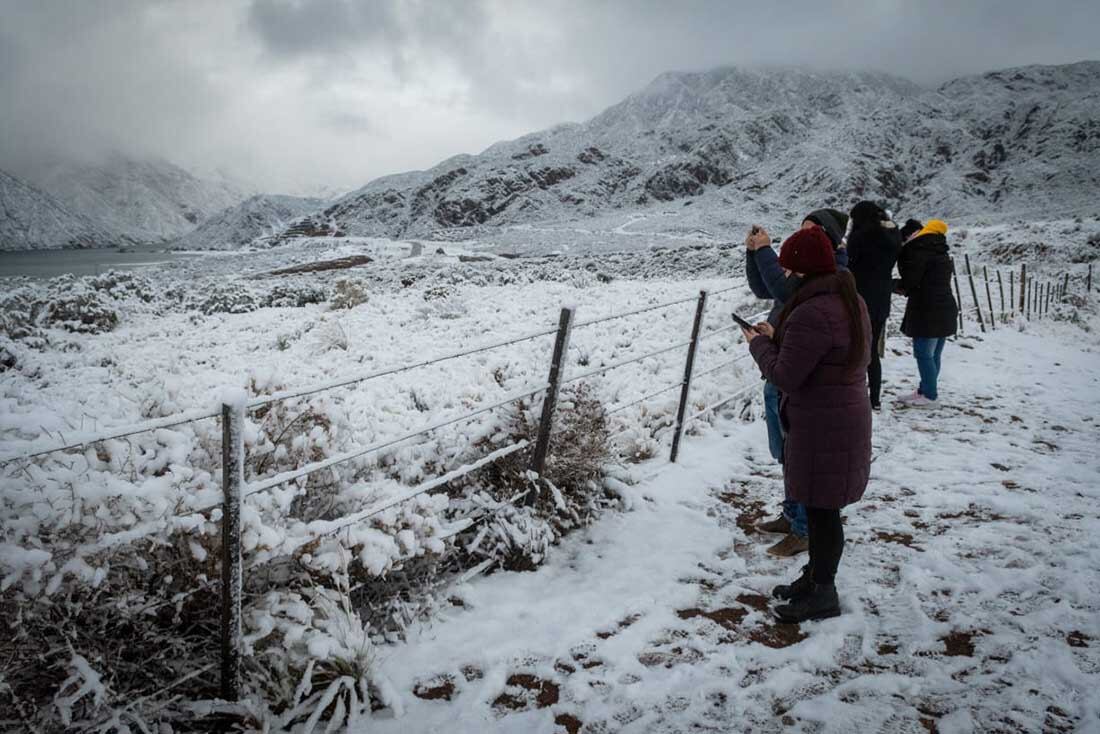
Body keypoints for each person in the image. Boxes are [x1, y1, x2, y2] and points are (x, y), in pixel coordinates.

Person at [741, 226, 872, 623]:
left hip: (821, 423)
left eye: (789, 269)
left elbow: (785, 375)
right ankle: (815, 579)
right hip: (839, 416)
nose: (786, 276)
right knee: (822, 510)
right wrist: (780, 335)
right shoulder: (847, 299)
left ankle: (823, 594)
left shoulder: (812, 311)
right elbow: (823, 355)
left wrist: (758, 344)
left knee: (822, 513)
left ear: (803, 270)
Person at [743, 210, 849, 558]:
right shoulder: (814, 281)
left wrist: (765, 252)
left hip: (798, 380)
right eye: (803, 229)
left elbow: (784, 292)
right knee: (788, 454)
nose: (806, 235)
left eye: (813, 231)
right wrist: (753, 253)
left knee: (800, 456)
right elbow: (765, 287)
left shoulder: (832, 278)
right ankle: (793, 517)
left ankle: (804, 529)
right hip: (784, 361)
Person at [894, 219, 958, 407]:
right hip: (944, 307)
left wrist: (890, 284)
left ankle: (930, 395)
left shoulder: (919, 250)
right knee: (934, 354)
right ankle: (925, 390)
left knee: (923, 353)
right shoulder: (939, 249)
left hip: (927, 309)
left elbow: (911, 282)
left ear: (908, 237)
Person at [845, 201, 901, 410]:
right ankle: (874, 399)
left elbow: (851, 263)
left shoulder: (861, 237)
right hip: (881, 298)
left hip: (859, 298)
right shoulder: (893, 237)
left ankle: (852, 394)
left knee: (853, 348)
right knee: (872, 350)